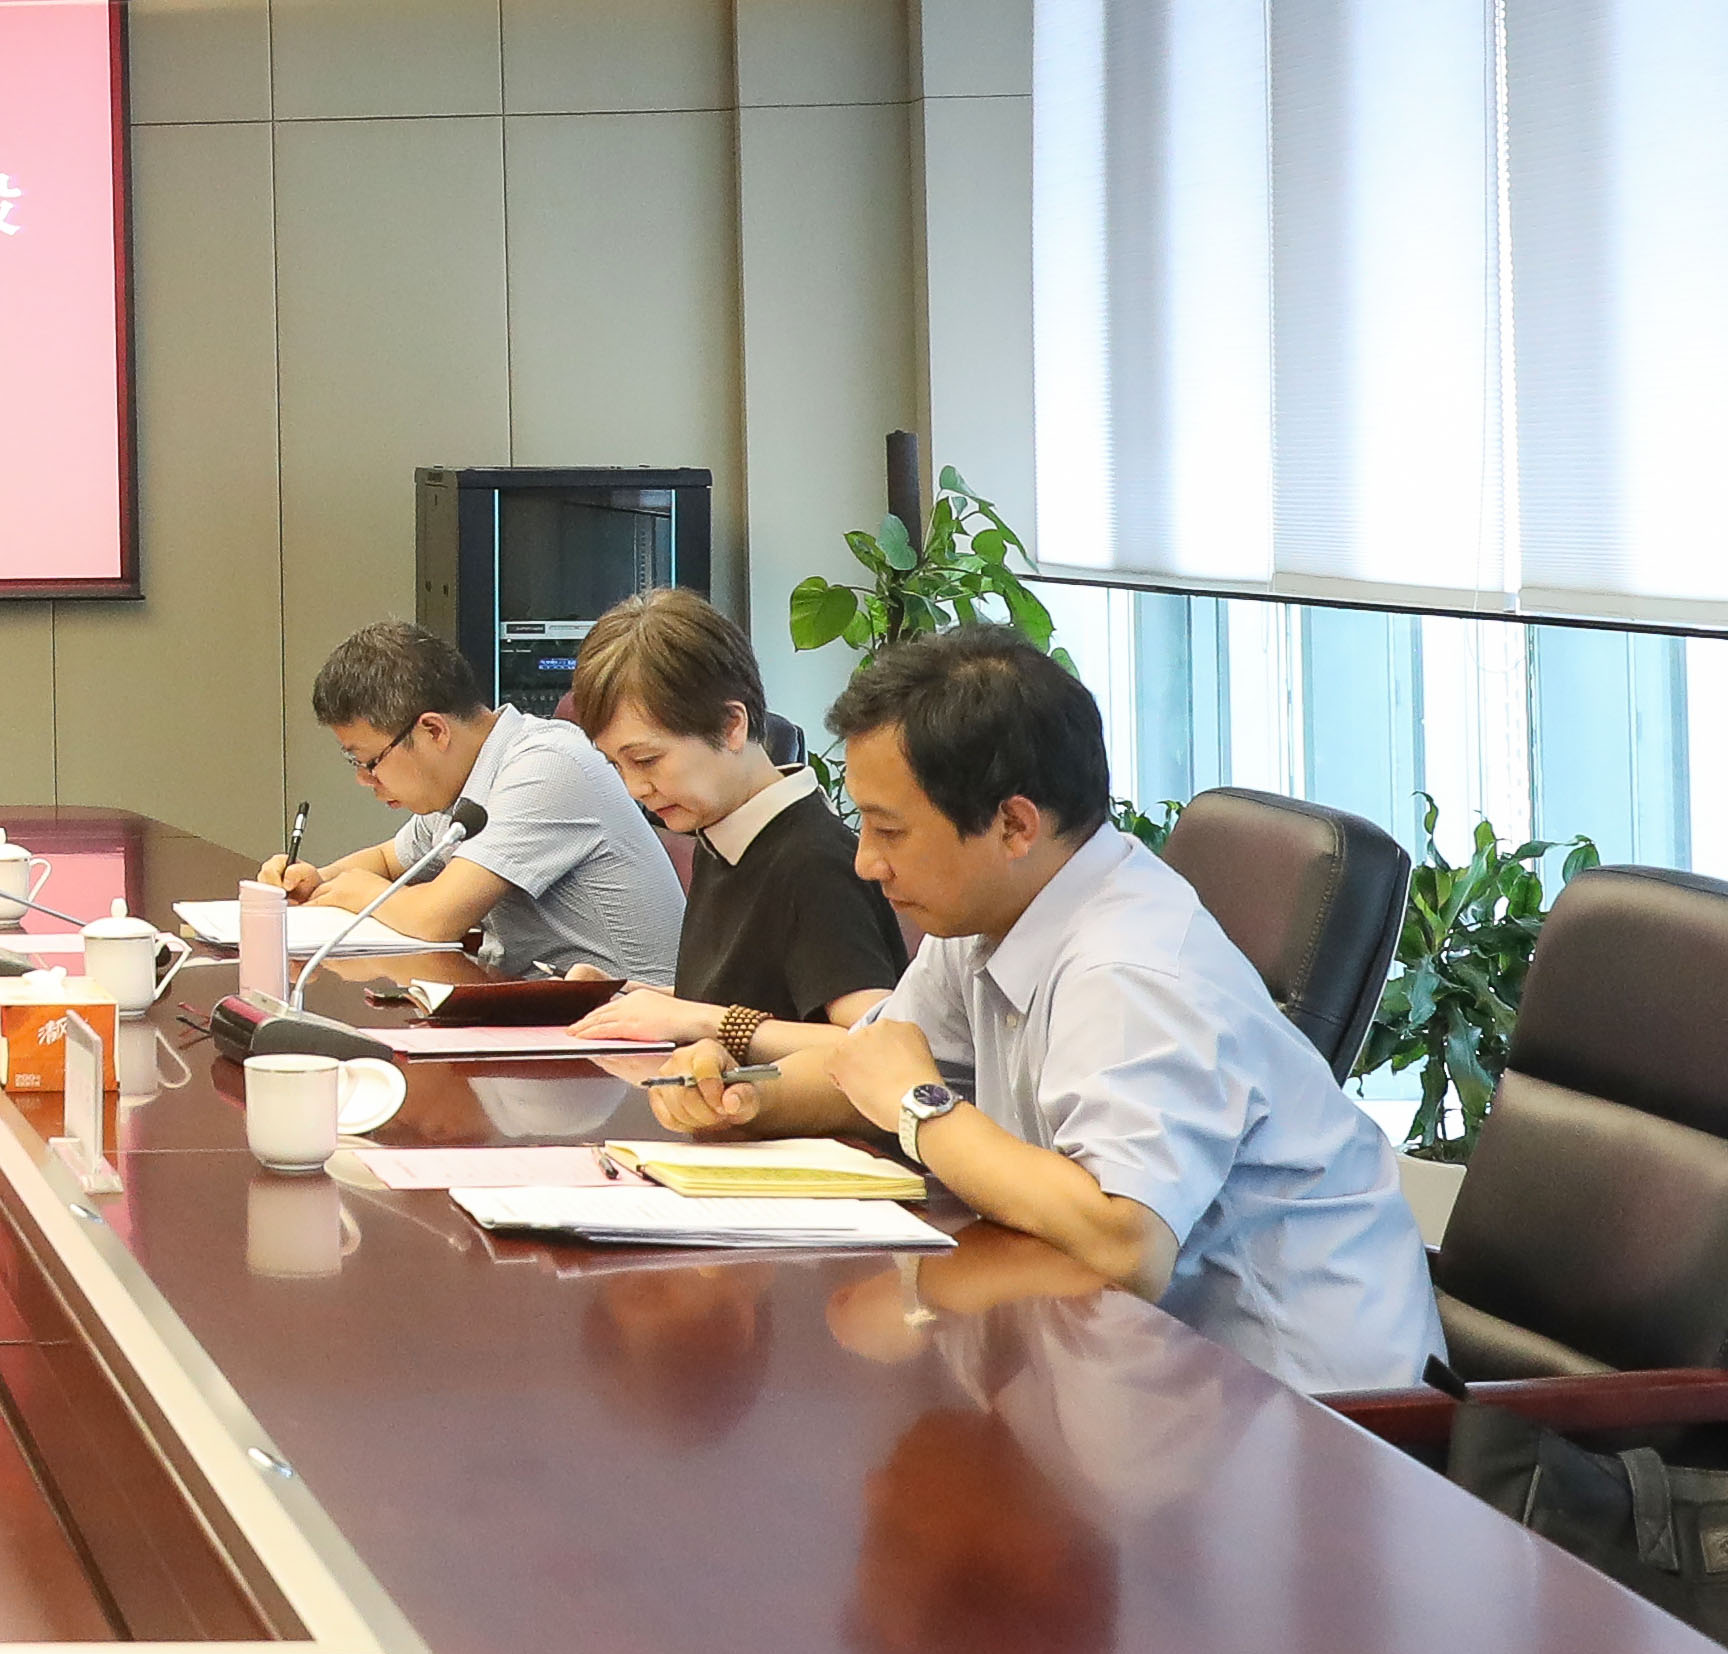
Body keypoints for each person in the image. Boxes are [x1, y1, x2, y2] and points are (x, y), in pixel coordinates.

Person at [658, 626, 1437, 1395]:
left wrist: (919, 1106)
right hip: (1133, 1368)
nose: (866, 861)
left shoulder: (1131, 971)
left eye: (888, 829)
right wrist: (742, 1097)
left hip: (1311, 1416)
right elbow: (871, 1066)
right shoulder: (989, 911)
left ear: (1014, 825)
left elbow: (1125, 1244)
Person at [556, 586, 906, 1040]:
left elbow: (876, 1042)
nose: (634, 788)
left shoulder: (812, 861)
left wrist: (705, 1023)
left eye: (646, 760)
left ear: (730, 725)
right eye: (615, 765)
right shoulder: (721, 834)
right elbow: (756, 999)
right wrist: (630, 998)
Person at [276, 621, 681, 985]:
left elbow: (435, 919)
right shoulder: (463, 782)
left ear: (434, 731)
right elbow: (386, 860)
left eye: (369, 762)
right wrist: (312, 882)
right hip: (540, 1007)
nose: (365, 780)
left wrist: (358, 892)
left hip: (629, 1022)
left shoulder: (545, 766)